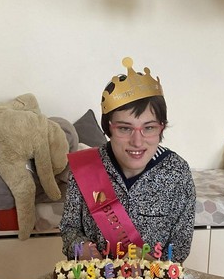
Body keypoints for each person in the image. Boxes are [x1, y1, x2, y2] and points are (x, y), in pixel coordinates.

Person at [59, 57, 195, 263]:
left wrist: (151, 268)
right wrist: (82, 249)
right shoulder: (85, 167)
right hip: (95, 277)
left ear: (161, 128)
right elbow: (69, 229)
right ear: (108, 128)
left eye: (149, 128)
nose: (137, 141)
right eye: (124, 128)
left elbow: (180, 246)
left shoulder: (178, 173)